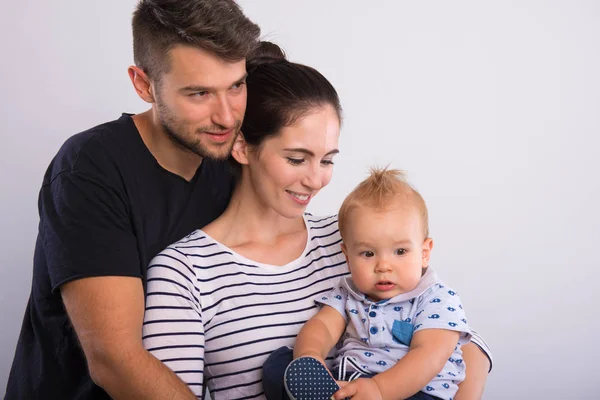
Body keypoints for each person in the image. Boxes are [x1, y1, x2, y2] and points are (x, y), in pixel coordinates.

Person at [142, 44, 492, 399]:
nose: (316, 180)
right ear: (243, 147)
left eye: (327, 161)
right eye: (297, 159)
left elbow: (462, 346)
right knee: (281, 366)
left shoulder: (357, 239)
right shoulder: (184, 272)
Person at [5, 1, 260, 399]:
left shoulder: (231, 160)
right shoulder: (89, 168)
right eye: (199, 93)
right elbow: (114, 359)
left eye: (236, 86)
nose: (227, 117)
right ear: (144, 85)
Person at [281, 168, 472, 400]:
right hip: (350, 383)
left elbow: (429, 355)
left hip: (416, 390)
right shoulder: (349, 293)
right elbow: (322, 327)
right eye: (368, 253)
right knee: (278, 364)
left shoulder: (437, 298)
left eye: (400, 251)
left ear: (424, 253)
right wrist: (311, 356)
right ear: (348, 257)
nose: (383, 266)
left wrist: (379, 390)